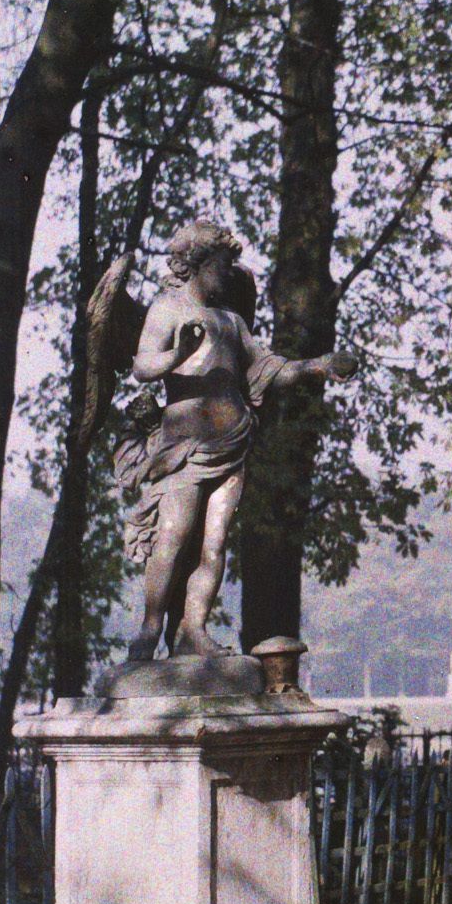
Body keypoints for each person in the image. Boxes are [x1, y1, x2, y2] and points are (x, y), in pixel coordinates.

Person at [115, 220, 357, 661]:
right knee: (171, 534)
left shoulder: (230, 321)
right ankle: (148, 633)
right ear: (197, 263)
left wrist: (319, 365)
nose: (230, 274)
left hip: (231, 441)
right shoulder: (168, 309)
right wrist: (179, 355)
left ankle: (193, 629)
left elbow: (269, 369)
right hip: (185, 446)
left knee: (214, 542)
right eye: (223, 265)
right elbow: (143, 367)